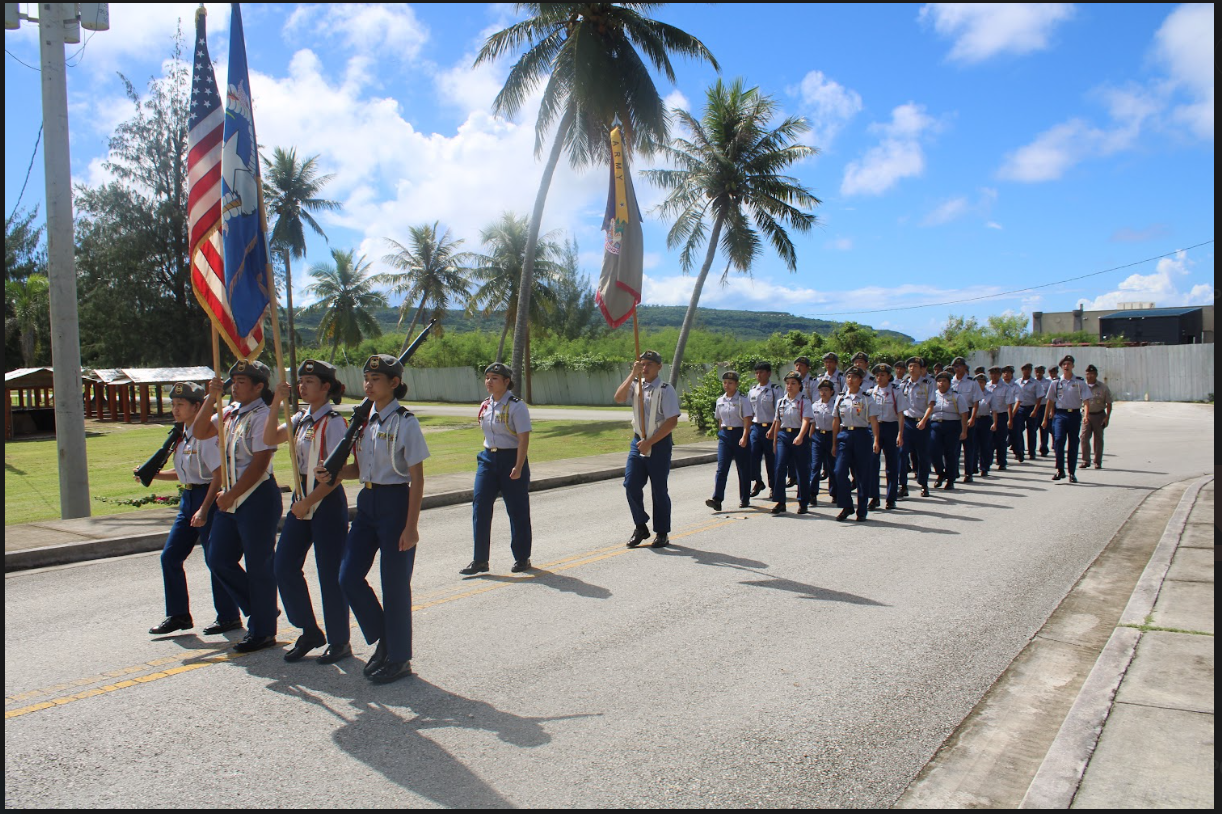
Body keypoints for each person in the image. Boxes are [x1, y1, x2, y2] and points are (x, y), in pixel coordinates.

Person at [320, 354, 428, 684]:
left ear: (394, 384)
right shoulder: (365, 422)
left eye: (376, 379)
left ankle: (399, 658)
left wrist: (411, 527)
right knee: (347, 576)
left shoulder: (405, 422)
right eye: (366, 378)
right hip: (367, 501)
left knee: (394, 586)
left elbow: (417, 478)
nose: (368, 384)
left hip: (395, 503)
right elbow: (360, 469)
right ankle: (386, 638)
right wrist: (333, 470)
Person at [263, 360, 351, 664]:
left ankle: (340, 640)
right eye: (300, 381)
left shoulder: (335, 421)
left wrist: (309, 501)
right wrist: (276, 402)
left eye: (309, 381)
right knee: (283, 566)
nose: (302, 386)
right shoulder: (299, 418)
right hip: (302, 495)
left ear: (326, 387)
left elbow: (336, 472)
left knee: (330, 574)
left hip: (324, 498)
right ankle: (309, 629)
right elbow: (268, 439)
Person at [193, 360, 282, 653]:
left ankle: (263, 630)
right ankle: (262, 610)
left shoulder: (262, 415)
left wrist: (232, 495)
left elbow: (259, 464)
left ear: (259, 387)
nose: (236, 386)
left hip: (255, 496)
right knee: (218, 558)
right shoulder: (229, 411)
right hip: (230, 496)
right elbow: (200, 430)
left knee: (259, 566)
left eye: (243, 381)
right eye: (234, 381)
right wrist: (211, 397)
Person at [144, 382, 241, 637]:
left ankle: (229, 616)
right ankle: (178, 615)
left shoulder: (206, 435)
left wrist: (205, 509)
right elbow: (184, 473)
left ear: (197, 407)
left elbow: (217, 475)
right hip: (188, 497)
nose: (175, 409)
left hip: (207, 496)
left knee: (215, 558)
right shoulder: (182, 435)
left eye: (180, 405)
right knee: (170, 557)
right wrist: (152, 475)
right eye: (173, 404)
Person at [463, 363, 533, 575]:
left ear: (506, 381)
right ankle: (480, 560)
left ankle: (522, 557)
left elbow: (523, 439)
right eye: (487, 378)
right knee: (480, 506)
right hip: (488, 459)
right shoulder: (486, 405)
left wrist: (518, 466)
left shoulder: (516, 406)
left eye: (494, 378)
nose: (489, 382)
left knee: (517, 510)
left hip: (511, 458)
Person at [616, 351, 681, 548]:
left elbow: (671, 421)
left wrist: (650, 442)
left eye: (649, 364)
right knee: (631, 484)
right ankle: (640, 526)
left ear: (659, 367)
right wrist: (632, 374)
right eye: (642, 364)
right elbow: (618, 397)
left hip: (659, 443)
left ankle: (662, 532)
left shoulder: (665, 389)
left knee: (659, 489)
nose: (645, 368)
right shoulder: (636, 385)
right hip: (638, 442)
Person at [832, 367, 880, 521]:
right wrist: (834, 443)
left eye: (853, 377)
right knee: (839, 471)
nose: (850, 380)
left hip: (862, 435)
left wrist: (876, 440)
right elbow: (836, 421)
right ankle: (847, 505)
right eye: (848, 377)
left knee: (862, 475)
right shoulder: (840, 398)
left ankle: (862, 509)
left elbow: (873, 421)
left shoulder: (867, 398)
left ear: (860, 380)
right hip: (844, 435)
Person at [1041, 354, 1092, 483]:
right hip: (1060, 415)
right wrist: (1045, 418)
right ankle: (1060, 470)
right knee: (1058, 441)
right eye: (1064, 364)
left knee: (1073, 443)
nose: (1066, 366)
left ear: (1073, 366)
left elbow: (1086, 400)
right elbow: (1050, 401)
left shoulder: (1079, 382)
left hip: (1074, 414)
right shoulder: (1056, 383)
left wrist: (1086, 416)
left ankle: (1071, 472)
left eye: (1069, 364)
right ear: (1061, 367)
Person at [707, 370, 753, 511]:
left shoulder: (742, 400)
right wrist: (721, 432)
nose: (727, 385)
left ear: (736, 384)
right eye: (725, 382)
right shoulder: (720, 400)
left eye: (730, 383)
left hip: (739, 433)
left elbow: (747, 420)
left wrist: (745, 437)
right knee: (722, 469)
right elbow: (720, 419)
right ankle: (717, 499)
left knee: (743, 469)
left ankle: (745, 498)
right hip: (726, 435)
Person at [769, 371, 813, 515]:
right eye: (787, 383)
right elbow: (777, 421)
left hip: (798, 434)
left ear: (799, 385)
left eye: (793, 383)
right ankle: (780, 501)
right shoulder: (781, 401)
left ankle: (803, 501)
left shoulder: (804, 401)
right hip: (783, 435)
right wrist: (775, 441)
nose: (790, 386)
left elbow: (806, 420)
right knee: (780, 467)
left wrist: (801, 436)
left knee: (802, 469)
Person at [867, 363, 906, 510]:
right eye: (877, 375)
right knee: (873, 464)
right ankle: (874, 497)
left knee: (891, 465)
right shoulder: (870, 393)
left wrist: (900, 434)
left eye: (882, 375)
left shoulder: (896, 392)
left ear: (889, 376)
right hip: (875, 428)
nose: (879, 377)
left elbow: (901, 414)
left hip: (891, 427)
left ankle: (891, 498)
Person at [900, 356, 935, 498]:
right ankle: (903, 485)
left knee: (923, 455)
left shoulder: (928, 384)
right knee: (902, 453)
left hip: (923, 423)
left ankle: (924, 484)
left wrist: (924, 420)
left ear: (921, 369)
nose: (912, 369)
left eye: (915, 366)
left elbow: (931, 404)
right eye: (910, 366)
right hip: (907, 422)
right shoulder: (904, 384)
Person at [930, 370, 971, 490]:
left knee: (950, 453)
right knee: (933, 451)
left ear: (949, 383)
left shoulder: (956, 396)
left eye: (944, 381)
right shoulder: (933, 396)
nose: (941, 383)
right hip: (935, 425)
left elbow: (964, 414)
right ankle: (940, 473)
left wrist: (964, 431)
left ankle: (950, 479)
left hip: (952, 426)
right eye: (939, 381)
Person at [747, 362, 783, 498]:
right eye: (756, 372)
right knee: (752, 455)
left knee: (771, 459)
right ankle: (758, 481)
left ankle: (774, 487)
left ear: (769, 373)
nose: (758, 375)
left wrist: (774, 429)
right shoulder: (753, 391)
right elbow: (750, 412)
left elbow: (778, 412)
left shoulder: (775, 389)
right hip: (756, 427)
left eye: (761, 372)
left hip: (771, 427)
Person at [949, 357, 983, 483]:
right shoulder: (950, 382)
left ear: (964, 367)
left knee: (969, 446)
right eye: (955, 367)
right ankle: (954, 471)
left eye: (959, 366)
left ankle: (969, 472)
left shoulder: (972, 382)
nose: (957, 369)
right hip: (954, 415)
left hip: (968, 414)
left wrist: (973, 418)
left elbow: (976, 402)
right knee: (954, 447)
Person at [808, 379, 837, 506]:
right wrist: (809, 438)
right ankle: (812, 493)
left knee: (832, 466)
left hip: (831, 436)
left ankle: (835, 492)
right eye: (821, 390)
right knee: (815, 466)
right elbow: (812, 423)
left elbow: (838, 424)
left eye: (826, 390)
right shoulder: (814, 405)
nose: (823, 392)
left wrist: (836, 442)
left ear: (831, 392)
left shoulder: (836, 405)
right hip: (818, 436)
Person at [1080, 364, 1113, 470]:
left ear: (1096, 375)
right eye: (1088, 374)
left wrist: (1107, 417)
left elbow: (1109, 403)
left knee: (1098, 439)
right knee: (1084, 437)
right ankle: (1086, 460)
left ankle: (1097, 462)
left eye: (1092, 374)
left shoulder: (1102, 387)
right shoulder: (1081, 386)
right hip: (1086, 415)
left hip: (1099, 415)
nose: (1089, 376)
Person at [1011, 363, 1040, 463]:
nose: (1027, 371)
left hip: (1031, 407)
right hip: (1020, 408)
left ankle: (1032, 452)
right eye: (1025, 369)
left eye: (1029, 369)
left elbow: (1039, 397)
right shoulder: (1017, 382)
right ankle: (1020, 451)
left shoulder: (1035, 383)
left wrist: (1035, 410)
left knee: (1031, 431)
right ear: (1022, 370)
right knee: (1018, 430)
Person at [1033, 365, 1052, 456]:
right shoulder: (1032, 382)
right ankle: (1032, 448)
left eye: (1040, 371)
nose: (1038, 373)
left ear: (1043, 372)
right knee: (1033, 428)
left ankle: (1044, 447)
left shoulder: (1048, 383)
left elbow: (1051, 398)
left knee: (1044, 428)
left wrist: (1051, 410)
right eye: (1037, 371)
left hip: (1044, 407)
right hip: (1034, 407)